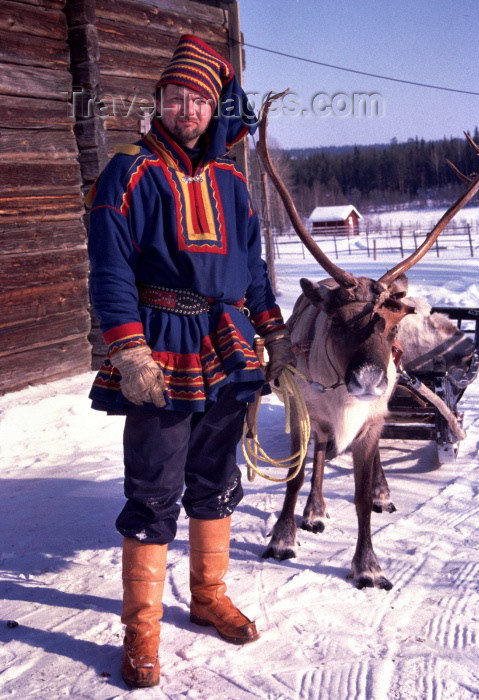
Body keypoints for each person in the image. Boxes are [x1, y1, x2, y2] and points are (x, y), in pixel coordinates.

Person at [86, 34, 295, 689]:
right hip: (160, 345)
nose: (185, 108)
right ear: (159, 102)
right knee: (153, 489)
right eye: (174, 97)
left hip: (227, 344)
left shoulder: (234, 182)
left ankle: (207, 597)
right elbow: (109, 268)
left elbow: (253, 269)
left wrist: (277, 336)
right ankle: (141, 632)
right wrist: (127, 347)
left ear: (214, 109)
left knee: (216, 479)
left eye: (198, 99)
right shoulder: (129, 173)